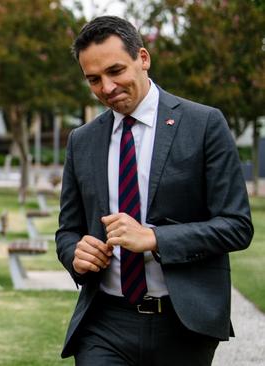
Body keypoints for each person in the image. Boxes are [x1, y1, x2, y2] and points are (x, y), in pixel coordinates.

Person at [55, 16, 253, 365]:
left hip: (183, 325)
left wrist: (156, 239)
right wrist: (75, 252)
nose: (107, 87)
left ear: (143, 58)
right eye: (93, 79)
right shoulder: (81, 141)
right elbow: (68, 230)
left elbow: (237, 226)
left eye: (116, 71)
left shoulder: (205, 124)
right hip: (104, 323)